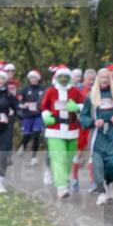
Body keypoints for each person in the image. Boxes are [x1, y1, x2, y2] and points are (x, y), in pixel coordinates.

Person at [80, 68, 113, 205]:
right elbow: (83, 117)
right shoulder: (90, 96)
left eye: (107, 77)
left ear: (110, 80)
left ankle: (108, 182)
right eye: (101, 77)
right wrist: (93, 122)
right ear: (97, 79)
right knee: (98, 164)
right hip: (97, 135)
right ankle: (102, 193)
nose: (104, 80)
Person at [41, 65, 85, 200]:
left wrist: (77, 107)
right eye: (61, 76)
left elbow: (85, 105)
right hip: (55, 129)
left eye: (66, 76)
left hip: (72, 130)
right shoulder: (51, 91)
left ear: (70, 78)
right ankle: (61, 187)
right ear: (57, 77)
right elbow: (44, 106)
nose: (64, 79)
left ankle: (63, 180)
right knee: (59, 157)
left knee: (68, 158)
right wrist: (46, 115)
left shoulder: (75, 91)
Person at [18, 70, 46, 165]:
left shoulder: (43, 89)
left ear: (38, 79)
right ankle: (23, 145)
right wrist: (24, 105)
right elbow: (19, 101)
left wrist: (41, 106)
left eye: (34, 77)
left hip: (38, 115)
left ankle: (34, 157)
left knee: (36, 134)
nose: (33, 79)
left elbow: (46, 101)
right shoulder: (25, 89)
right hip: (27, 115)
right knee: (27, 134)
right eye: (31, 78)